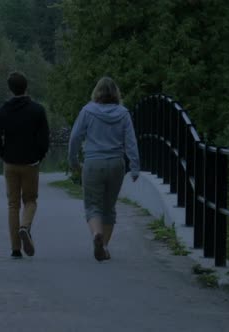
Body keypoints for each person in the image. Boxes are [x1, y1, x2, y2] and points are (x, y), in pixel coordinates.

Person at [68, 76, 140, 262]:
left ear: (96, 92)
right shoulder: (123, 113)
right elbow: (131, 142)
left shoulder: (87, 111)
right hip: (116, 164)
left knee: (93, 206)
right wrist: (135, 167)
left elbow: (75, 137)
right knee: (109, 208)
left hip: (93, 163)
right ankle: (105, 246)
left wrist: (73, 160)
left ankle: (96, 235)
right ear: (116, 93)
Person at [0, 72, 50, 258]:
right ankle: (25, 227)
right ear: (26, 87)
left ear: (10, 89)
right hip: (30, 162)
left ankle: (15, 249)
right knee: (30, 200)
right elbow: (44, 139)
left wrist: (3, 153)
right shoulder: (37, 110)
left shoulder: (4, 110)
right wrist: (39, 156)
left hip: (10, 162)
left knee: (13, 204)